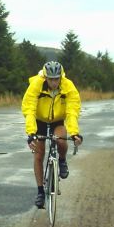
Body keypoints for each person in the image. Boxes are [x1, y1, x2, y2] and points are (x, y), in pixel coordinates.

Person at [21, 61, 83, 208]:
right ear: (45, 77)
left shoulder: (68, 86)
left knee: (61, 140)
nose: (54, 82)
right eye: (51, 79)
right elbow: (29, 109)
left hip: (58, 120)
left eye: (57, 79)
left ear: (61, 77)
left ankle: (62, 160)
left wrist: (74, 133)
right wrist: (31, 132)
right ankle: (40, 191)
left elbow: (72, 111)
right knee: (38, 154)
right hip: (39, 120)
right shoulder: (36, 84)